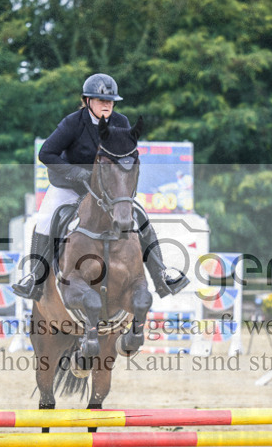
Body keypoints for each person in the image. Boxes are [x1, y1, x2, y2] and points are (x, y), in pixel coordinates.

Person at [13, 73, 189, 301]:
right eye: (100, 100)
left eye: (110, 101)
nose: (106, 105)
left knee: (141, 216)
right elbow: (46, 153)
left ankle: (162, 275)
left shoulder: (121, 123)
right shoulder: (72, 123)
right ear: (87, 101)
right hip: (70, 185)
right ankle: (34, 279)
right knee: (46, 219)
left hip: (108, 191)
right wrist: (75, 172)